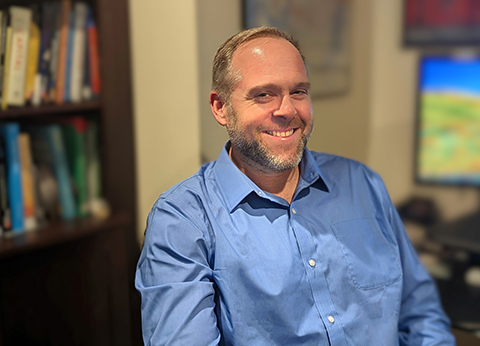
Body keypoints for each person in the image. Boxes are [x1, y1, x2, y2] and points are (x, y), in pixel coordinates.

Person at [135, 27, 455, 346]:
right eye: (263, 94)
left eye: (298, 92)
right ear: (220, 107)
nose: (288, 110)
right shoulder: (181, 220)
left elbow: (421, 315)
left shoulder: (362, 183)